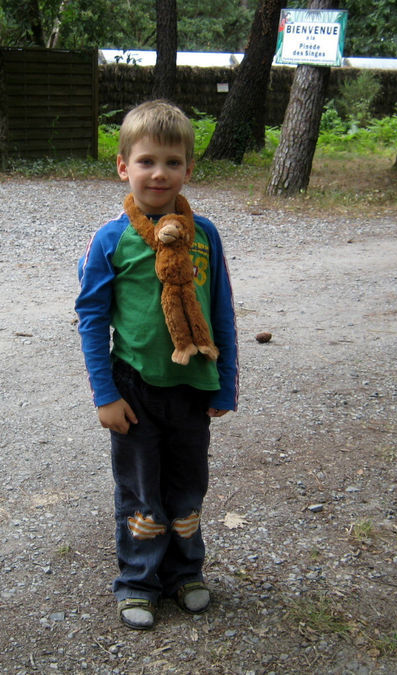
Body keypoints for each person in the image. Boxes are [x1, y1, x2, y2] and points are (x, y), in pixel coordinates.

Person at [75, 100, 239, 630]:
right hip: (135, 390)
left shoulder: (206, 235)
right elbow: (92, 318)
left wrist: (225, 384)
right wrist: (105, 395)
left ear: (189, 169)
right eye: (147, 161)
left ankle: (184, 573)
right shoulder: (110, 239)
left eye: (173, 162)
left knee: (188, 488)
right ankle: (138, 580)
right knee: (141, 492)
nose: (159, 173)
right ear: (123, 166)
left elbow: (221, 313)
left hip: (191, 387)